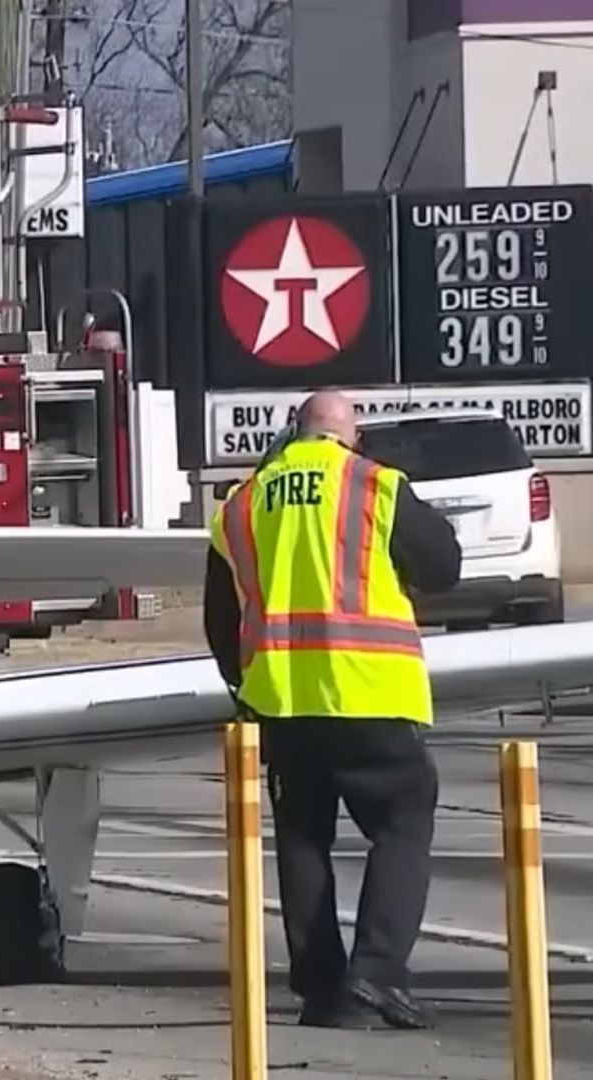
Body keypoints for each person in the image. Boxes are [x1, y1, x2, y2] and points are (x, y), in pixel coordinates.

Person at [204, 390, 462, 1031]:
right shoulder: (374, 485)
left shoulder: (242, 504)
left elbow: (218, 616)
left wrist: (245, 685)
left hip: (284, 704)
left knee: (303, 839)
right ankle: (376, 972)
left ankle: (322, 991)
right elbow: (444, 567)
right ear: (352, 435)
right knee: (401, 826)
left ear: (294, 432)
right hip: (372, 692)